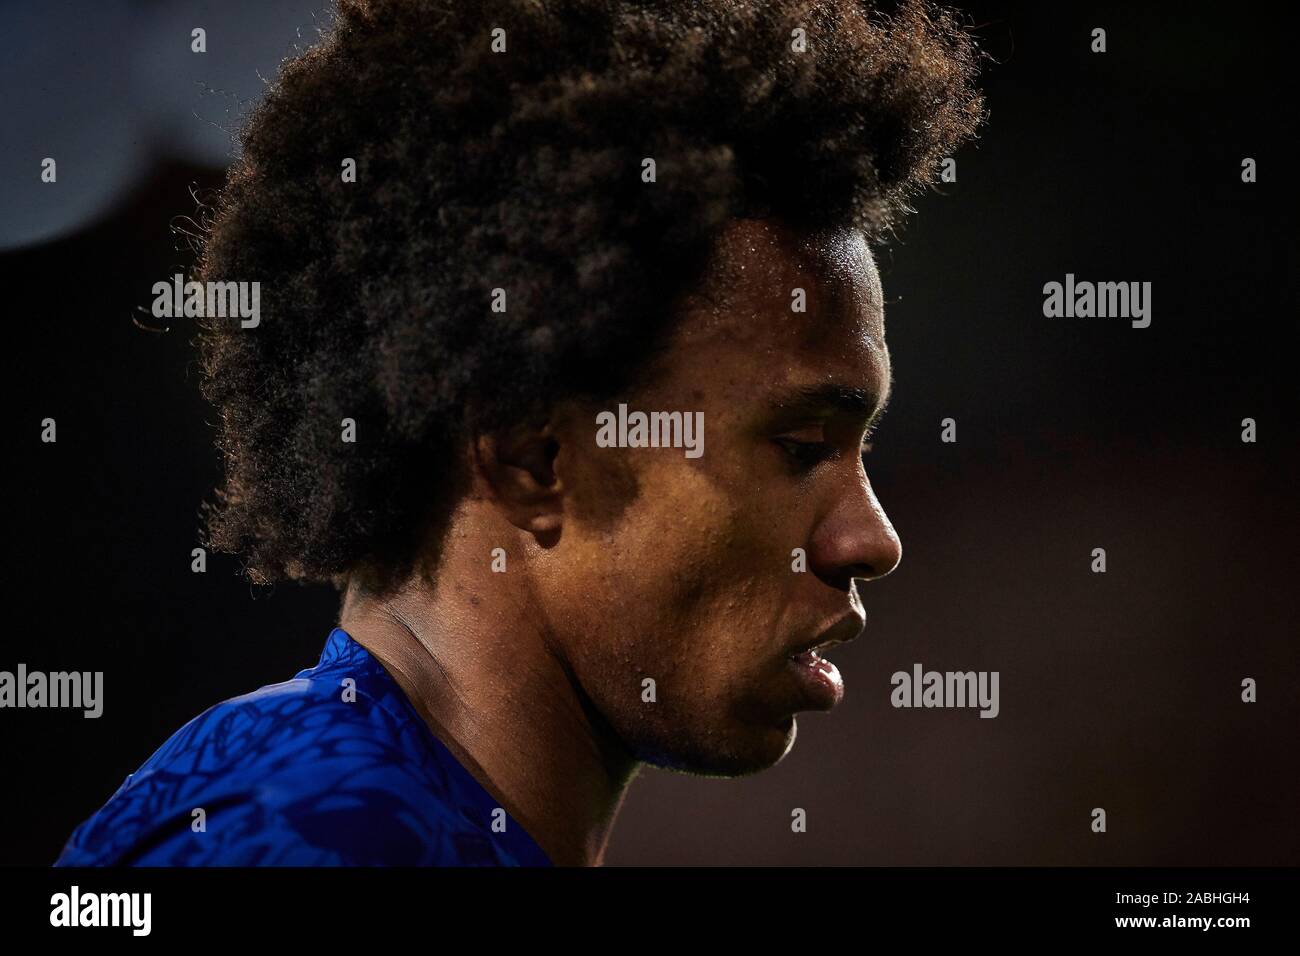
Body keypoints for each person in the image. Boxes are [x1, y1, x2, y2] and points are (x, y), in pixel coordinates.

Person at [56, 0, 983, 867]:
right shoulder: (308, 835)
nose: (873, 539)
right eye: (801, 446)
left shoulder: (359, 801)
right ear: (534, 461)